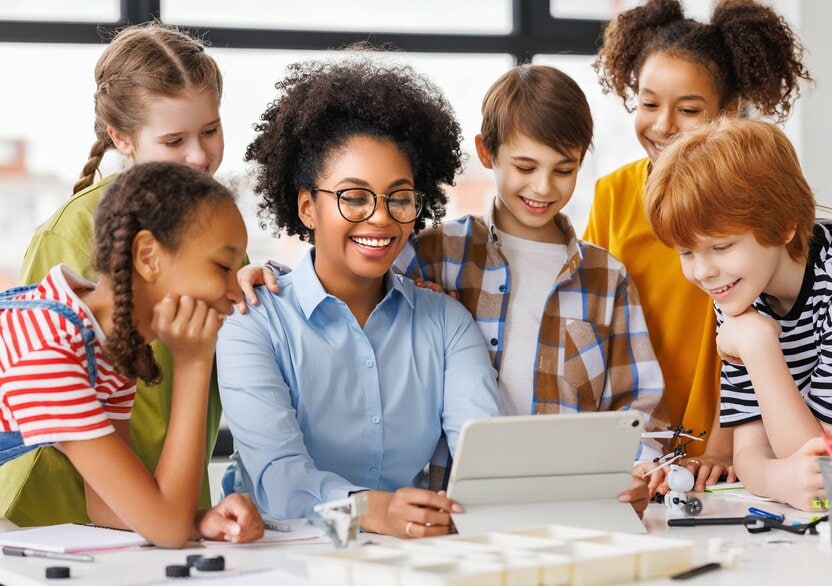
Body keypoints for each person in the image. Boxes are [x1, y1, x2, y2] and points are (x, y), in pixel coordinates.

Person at [238, 64, 654, 517]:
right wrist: (268, 275)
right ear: (488, 153)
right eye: (354, 196)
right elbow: (337, 268)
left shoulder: (453, 312)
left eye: (398, 198)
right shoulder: (433, 252)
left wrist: (637, 471)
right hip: (313, 537)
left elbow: (635, 406)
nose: (542, 186)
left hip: (511, 514)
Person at [216, 57, 504, 539]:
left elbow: (486, 457)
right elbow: (280, 480)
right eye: (353, 197)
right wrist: (374, 511)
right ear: (308, 206)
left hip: (409, 560)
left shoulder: (446, 323)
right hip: (281, 561)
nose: (381, 218)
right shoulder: (254, 321)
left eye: (399, 197)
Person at [0, 22, 226, 526]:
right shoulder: (69, 245)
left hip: (143, 500)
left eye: (210, 130)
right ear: (120, 138)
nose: (198, 155)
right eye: (174, 140)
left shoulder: (208, 226)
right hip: (53, 507)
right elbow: (50, 388)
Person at [582, 0, 812, 492]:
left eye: (688, 109)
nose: (663, 125)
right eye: (648, 104)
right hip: (640, 439)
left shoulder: (751, 204)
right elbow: (594, 318)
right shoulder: (612, 196)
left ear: (727, 111)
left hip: (727, 442)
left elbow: (761, 326)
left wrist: (724, 448)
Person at [0, 162, 262, 546]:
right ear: (148, 256)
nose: (236, 292)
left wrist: (198, 520)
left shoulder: (108, 349)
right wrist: (193, 362)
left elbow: (108, 507)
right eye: (222, 266)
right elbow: (166, 530)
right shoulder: (51, 353)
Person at [645, 117, 832, 510]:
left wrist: (759, 347)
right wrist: (778, 480)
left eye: (722, 246)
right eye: (686, 252)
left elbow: (830, 472)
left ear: (784, 226)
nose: (703, 272)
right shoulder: (742, 287)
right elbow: (749, 450)